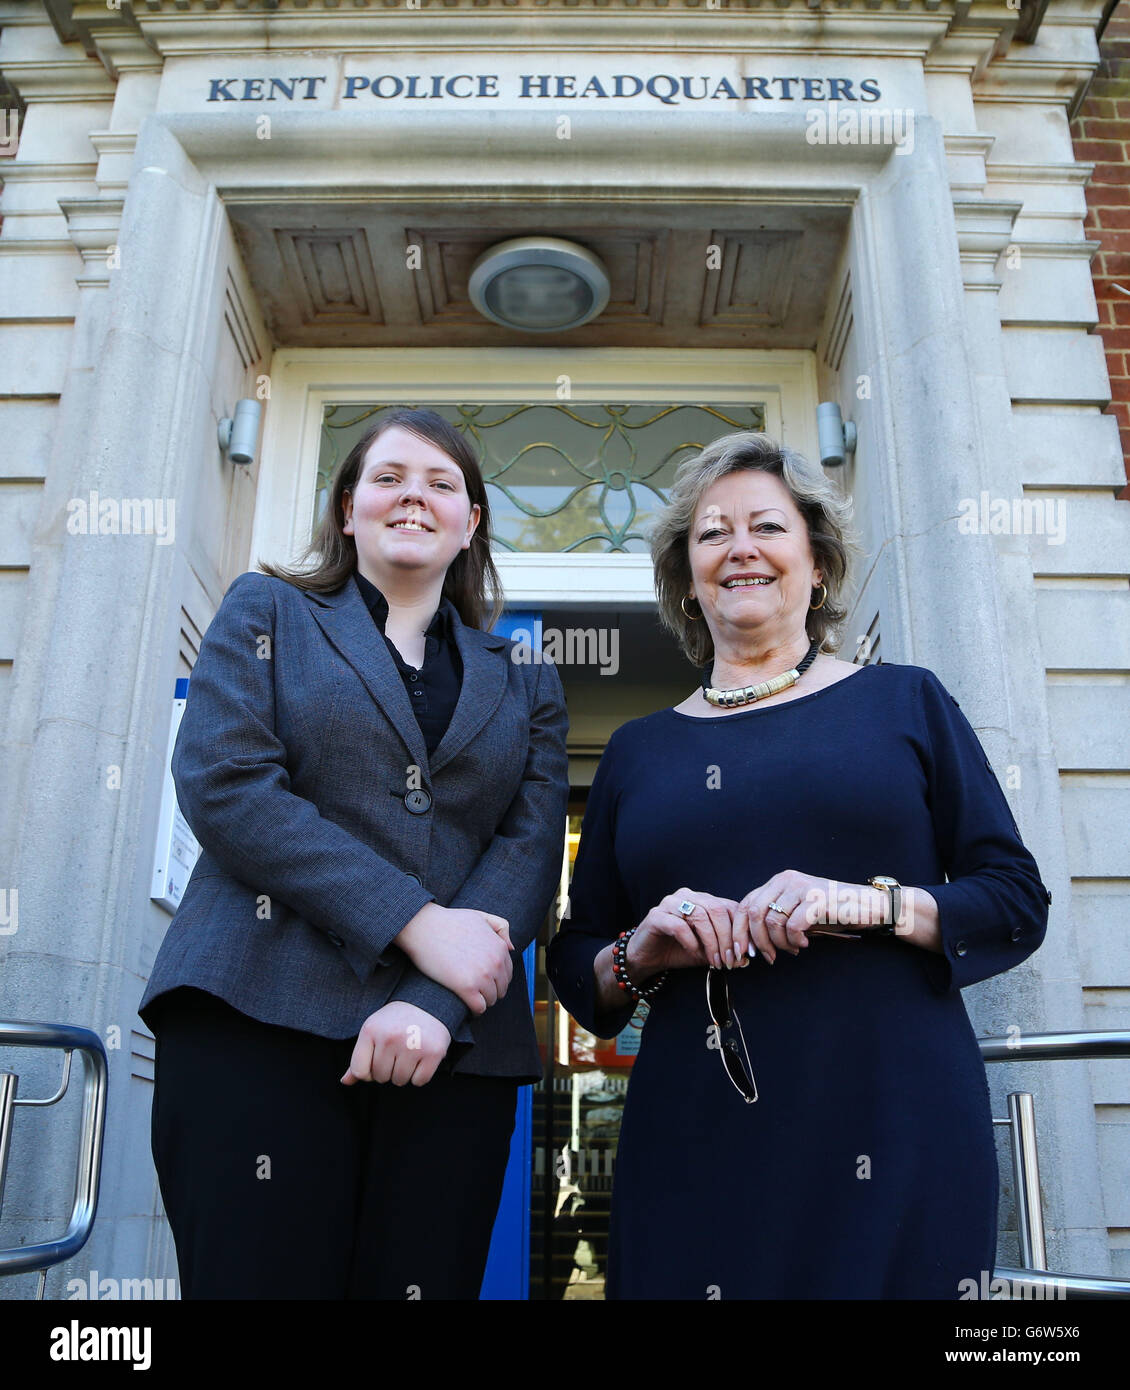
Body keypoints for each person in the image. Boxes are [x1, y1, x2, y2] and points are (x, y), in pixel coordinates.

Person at [547, 430, 1050, 1300]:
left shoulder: (906, 701)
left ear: (816, 564)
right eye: (713, 533)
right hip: (697, 1129)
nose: (740, 548)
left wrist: (864, 903)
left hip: (891, 1113)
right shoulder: (638, 752)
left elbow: (1012, 900)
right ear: (688, 574)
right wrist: (646, 946)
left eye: (767, 528)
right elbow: (580, 966)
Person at [139, 407, 569, 1299]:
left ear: (472, 522)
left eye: (441, 484)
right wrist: (414, 924)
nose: (415, 496)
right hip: (253, 1012)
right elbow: (228, 784)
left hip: (454, 1053)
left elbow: (528, 847)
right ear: (347, 511)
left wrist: (437, 998)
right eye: (389, 478)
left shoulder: (527, 677)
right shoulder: (266, 609)